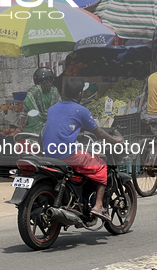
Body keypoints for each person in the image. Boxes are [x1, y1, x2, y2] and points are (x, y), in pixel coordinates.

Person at [42, 78, 122, 222]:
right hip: (66, 153)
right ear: (80, 94)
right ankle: (98, 206)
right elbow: (98, 132)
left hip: (48, 152)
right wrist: (114, 140)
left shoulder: (52, 108)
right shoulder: (81, 110)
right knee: (101, 165)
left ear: (63, 92)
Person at [17, 67, 61, 134]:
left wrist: (21, 124)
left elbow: (25, 110)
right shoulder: (54, 91)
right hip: (51, 127)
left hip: (34, 128)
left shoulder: (33, 91)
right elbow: (59, 107)